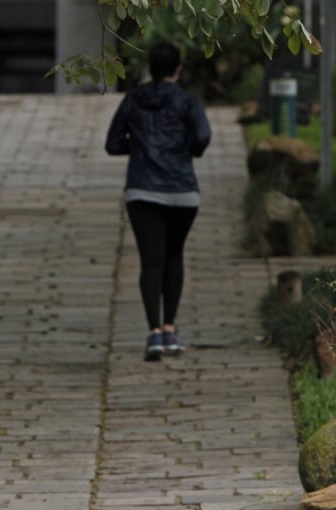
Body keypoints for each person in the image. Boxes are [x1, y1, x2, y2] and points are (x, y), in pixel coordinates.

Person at [105, 41, 212, 362]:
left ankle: (153, 334)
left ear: (149, 68)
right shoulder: (188, 102)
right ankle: (170, 327)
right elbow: (203, 137)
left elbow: (112, 143)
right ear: (178, 69)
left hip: (143, 191)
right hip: (183, 192)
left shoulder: (134, 99)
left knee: (151, 261)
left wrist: (140, 149)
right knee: (175, 256)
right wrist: (184, 150)